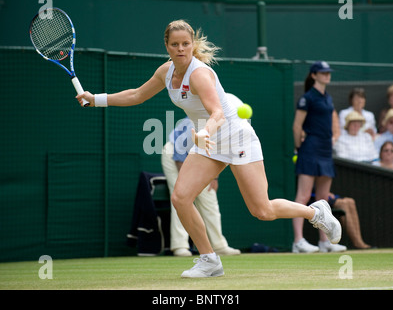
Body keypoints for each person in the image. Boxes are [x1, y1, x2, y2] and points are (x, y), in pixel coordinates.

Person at [76, 20, 341, 278]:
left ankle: (315, 212)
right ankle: (209, 260)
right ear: (166, 46)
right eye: (175, 44)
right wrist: (96, 99)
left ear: (192, 45)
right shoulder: (165, 72)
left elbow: (217, 113)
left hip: (235, 138)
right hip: (208, 143)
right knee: (180, 197)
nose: (181, 49)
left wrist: (204, 131)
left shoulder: (199, 74)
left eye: (186, 44)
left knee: (262, 210)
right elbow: (137, 95)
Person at [161, 114, 241, 257]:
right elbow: (180, 149)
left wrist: (214, 177)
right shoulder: (196, 122)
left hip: (198, 158)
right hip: (175, 156)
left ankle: (219, 245)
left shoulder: (227, 127)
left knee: (209, 197)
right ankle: (180, 246)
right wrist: (186, 180)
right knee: (181, 198)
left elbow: (217, 155)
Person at [292, 61, 344, 253]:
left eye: (328, 72)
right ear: (314, 75)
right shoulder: (307, 98)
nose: (327, 75)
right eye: (323, 73)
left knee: (323, 198)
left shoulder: (328, 98)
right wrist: (300, 147)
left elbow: (332, 125)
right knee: (303, 196)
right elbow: (297, 126)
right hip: (310, 149)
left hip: (325, 150)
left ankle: (325, 241)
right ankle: (298, 241)